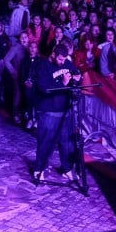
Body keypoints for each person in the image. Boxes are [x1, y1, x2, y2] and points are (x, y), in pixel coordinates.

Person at [32, 42, 81, 183]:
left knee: (67, 142)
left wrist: (77, 80)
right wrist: (63, 84)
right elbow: (44, 89)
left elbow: (75, 75)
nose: (62, 62)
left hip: (65, 110)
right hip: (48, 111)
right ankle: (39, 168)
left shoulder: (66, 63)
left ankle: (67, 168)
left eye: (64, 59)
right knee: (46, 141)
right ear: (53, 54)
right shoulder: (42, 66)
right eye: (60, 59)